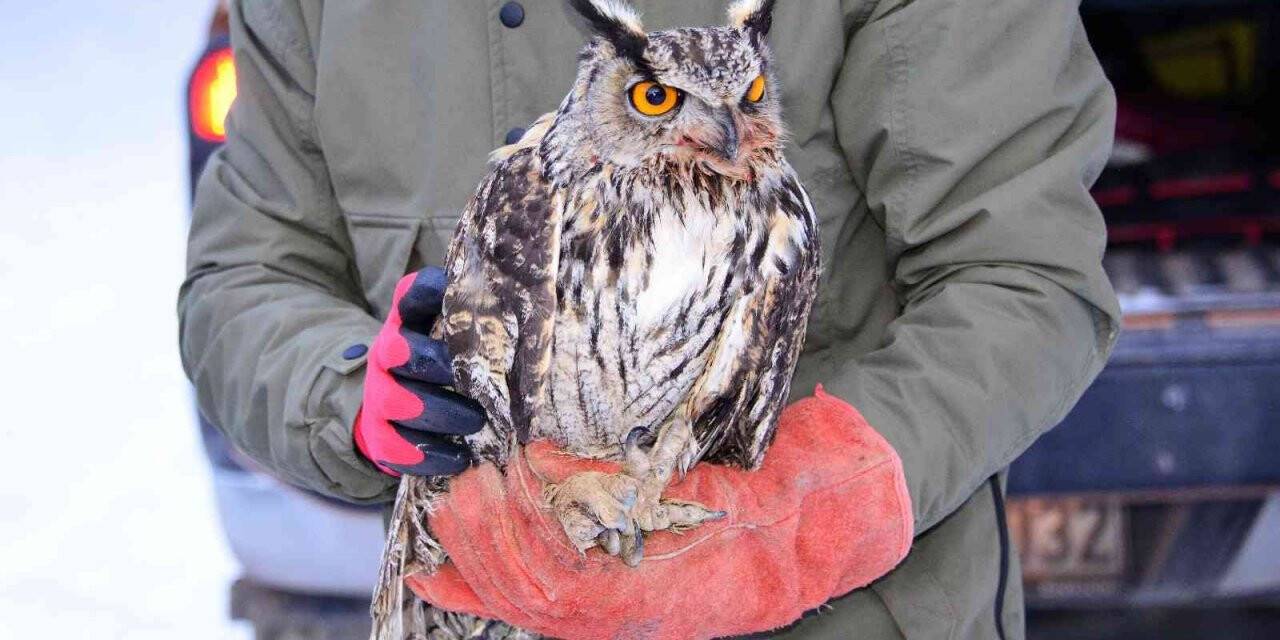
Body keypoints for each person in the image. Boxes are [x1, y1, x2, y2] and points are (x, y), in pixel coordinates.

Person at [179, 1, 1120, 638]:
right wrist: (353, 391)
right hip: (475, 602)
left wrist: (808, 512)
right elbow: (249, 272)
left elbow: (1021, 272)